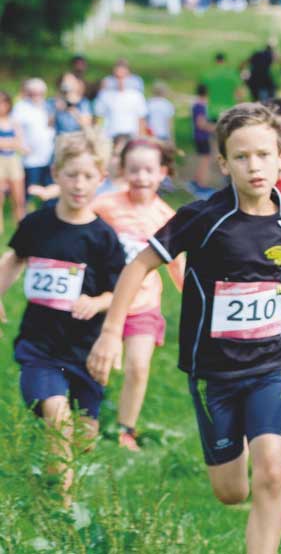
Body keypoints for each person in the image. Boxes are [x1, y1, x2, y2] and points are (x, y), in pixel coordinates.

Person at [90, 103, 281, 554]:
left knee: (273, 473)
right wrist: (110, 331)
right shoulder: (203, 217)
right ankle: (233, 460)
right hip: (213, 374)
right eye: (241, 156)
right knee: (232, 491)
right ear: (223, 163)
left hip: (268, 365)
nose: (254, 165)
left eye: (263, 154)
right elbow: (139, 265)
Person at [1, 132, 126, 499]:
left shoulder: (103, 237)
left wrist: (99, 302)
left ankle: (63, 475)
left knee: (83, 439)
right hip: (39, 346)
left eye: (88, 176)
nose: (79, 184)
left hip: (85, 350)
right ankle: (62, 502)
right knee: (57, 417)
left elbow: (120, 290)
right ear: (55, 173)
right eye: (71, 175)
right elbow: (14, 259)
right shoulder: (37, 224)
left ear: (101, 177)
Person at [90, 140, 183, 452]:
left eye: (149, 170)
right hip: (104, 301)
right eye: (134, 170)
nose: (141, 177)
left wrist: (197, 299)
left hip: (144, 305)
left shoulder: (166, 217)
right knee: (96, 365)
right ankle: (87, 417)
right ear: (122, 171)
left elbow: (178, 266)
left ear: (162, 173)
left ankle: (125, 429)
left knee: (138, 366)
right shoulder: (104, 206)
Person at [14, 79, 56, 200]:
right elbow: (15, 127)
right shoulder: (21, 107)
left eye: (40, 92)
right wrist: (21, 145)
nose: (37, 95)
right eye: (33, 92)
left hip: (48, 156)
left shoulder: (48, 105)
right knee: (28, 191)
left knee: (49, 192)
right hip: (30, 159)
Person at [95, 61, 149, 140]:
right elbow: (99, 117)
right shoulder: (105, 95)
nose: (120, 80)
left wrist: (141, 138)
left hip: (131, 137)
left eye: (123, 76)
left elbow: (141, 119)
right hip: (110, 137)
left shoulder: (136, 96)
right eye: (117, 76)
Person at [0, 92, 23, 221]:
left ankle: (20, 223)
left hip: (13, 160)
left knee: (18, 197)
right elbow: (15, 143)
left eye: (3, 102)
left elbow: (19, 142)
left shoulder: (13, 121)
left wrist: (5, 143)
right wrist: (11, 143)